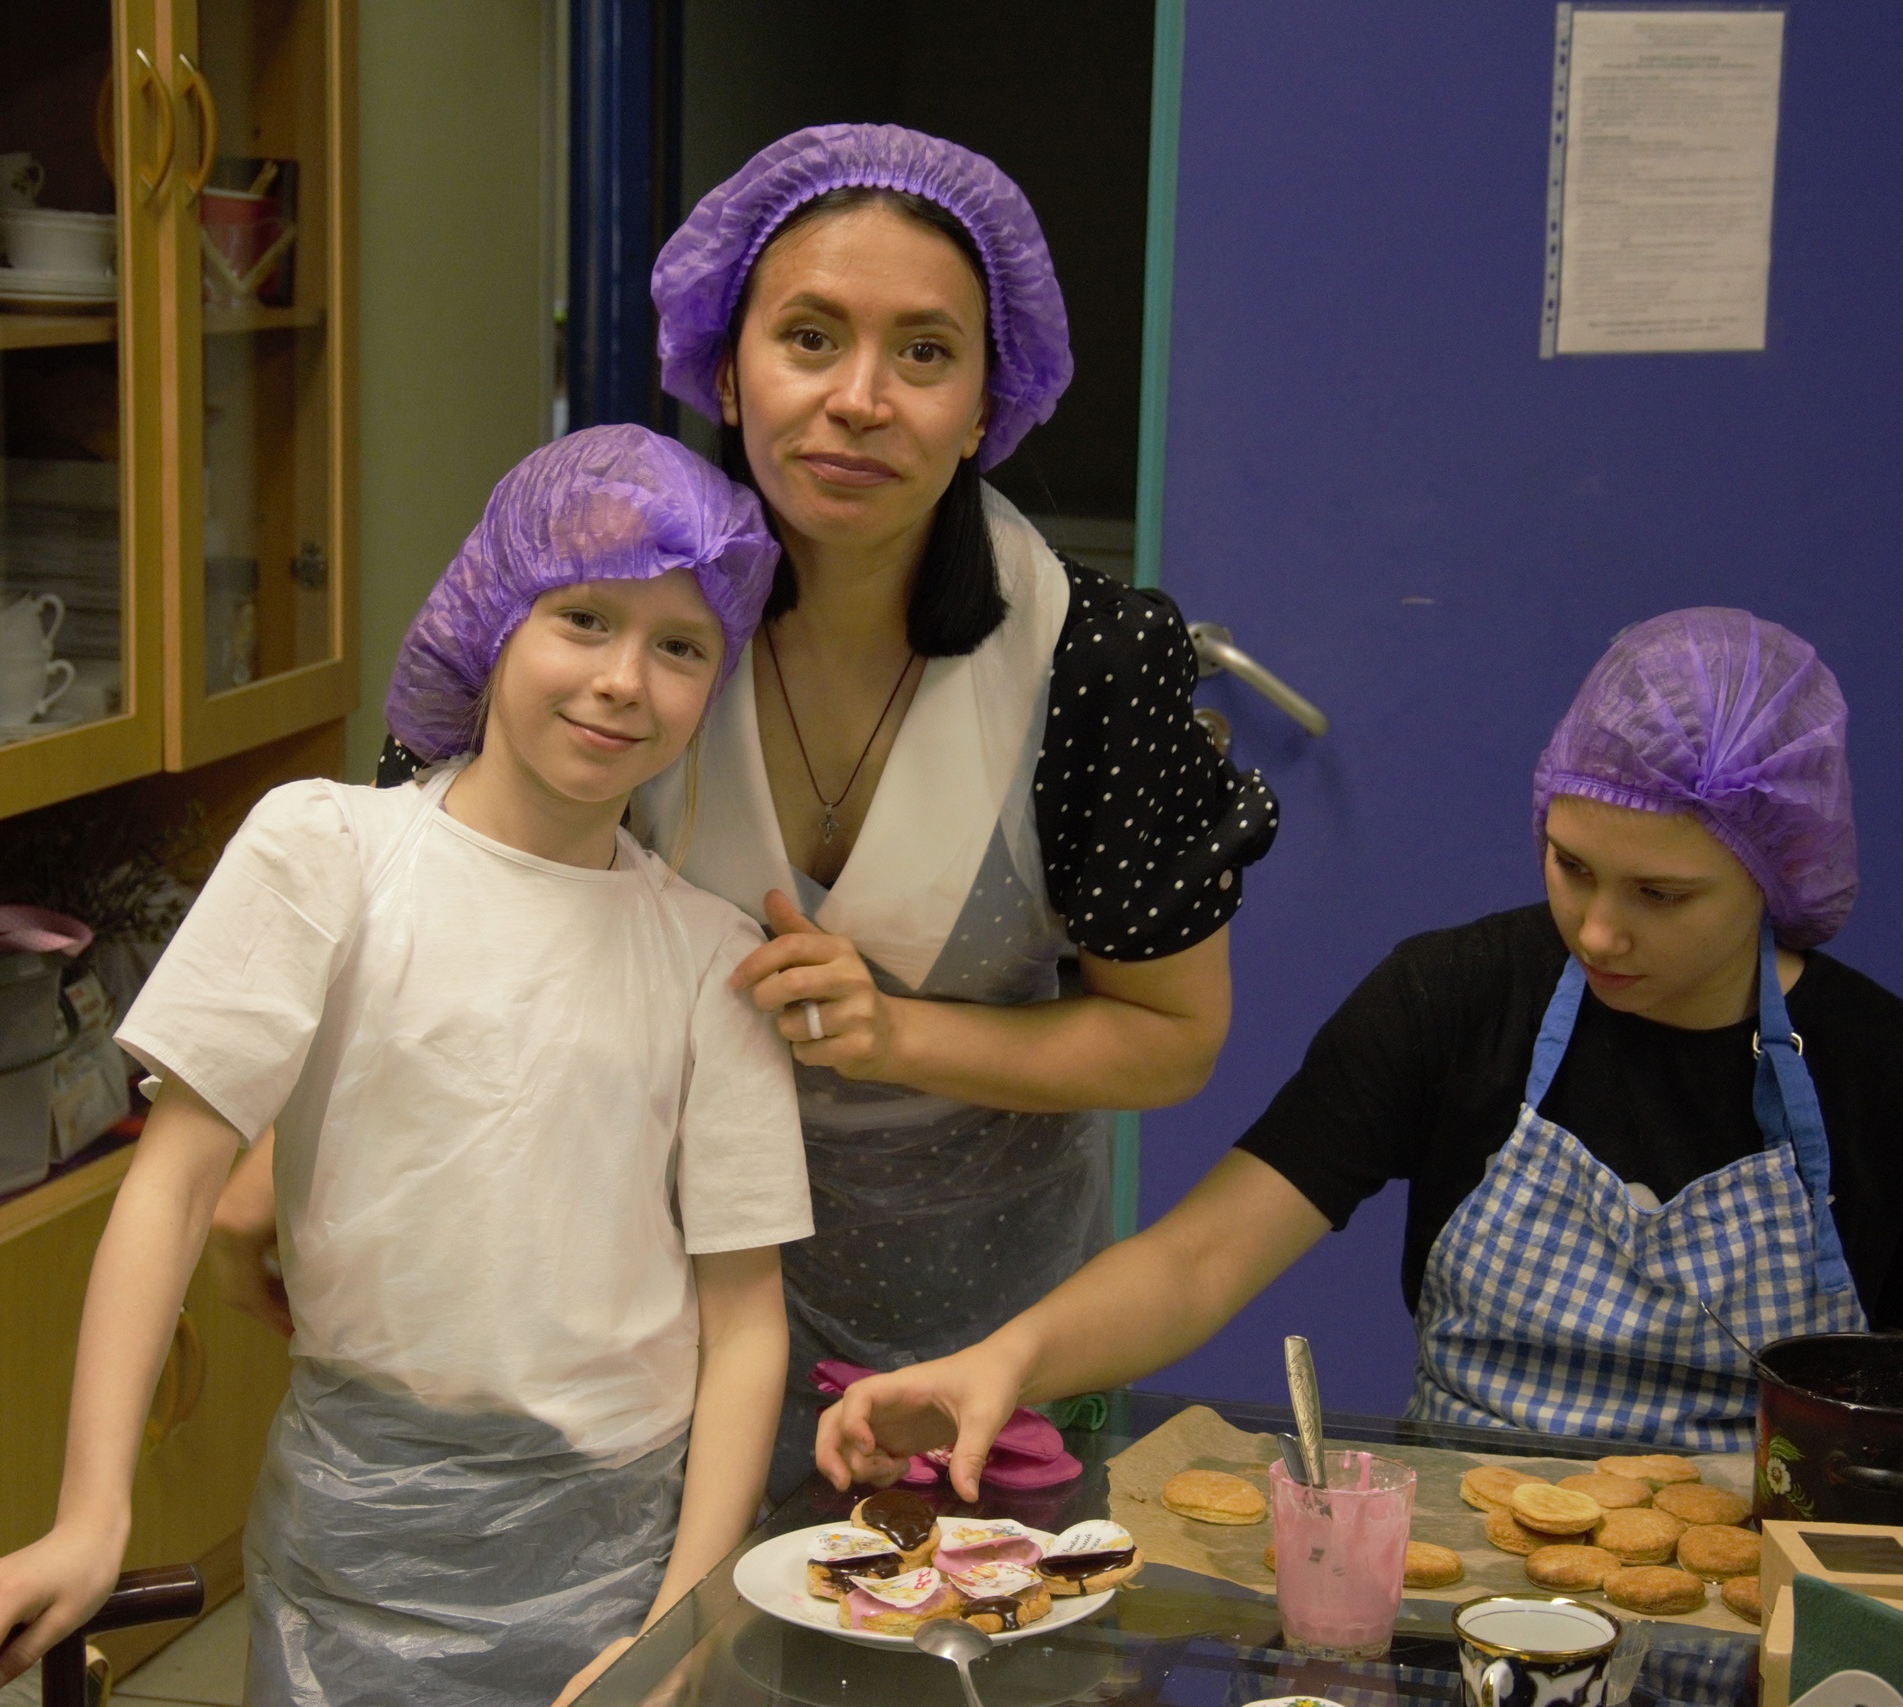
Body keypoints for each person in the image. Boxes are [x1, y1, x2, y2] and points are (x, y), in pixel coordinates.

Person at [216, 124, 1279, 1495]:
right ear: (726, 364)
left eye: (925, 353)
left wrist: (897, 1033)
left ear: (984, 401)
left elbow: (1169, 1039)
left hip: (982, 1308)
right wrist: (265, 1135)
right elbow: (410, 880)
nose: (860, 399)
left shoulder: (1092, 661)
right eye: (812, 336)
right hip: (623, 1282)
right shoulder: (611, 608)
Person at [0, 426, 814, 1707]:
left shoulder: (714, 962)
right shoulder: (328, 852)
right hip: (354, 1546)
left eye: (679, 646)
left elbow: (744, 1319)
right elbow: (170, 1188)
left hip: (622, 1559)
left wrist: (682, 1625)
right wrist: (91, 1515)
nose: (622, 681)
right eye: (583, 619)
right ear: (491, 616)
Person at [819, 608, 1903, 1496]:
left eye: (1664, 897)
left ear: (1775, 877)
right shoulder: (1454, 999)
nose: (1599, 930)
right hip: (1454, 1579)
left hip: (1762, 1589)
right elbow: (1201, 1259)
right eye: (1570, 867)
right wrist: (1004, 1361)